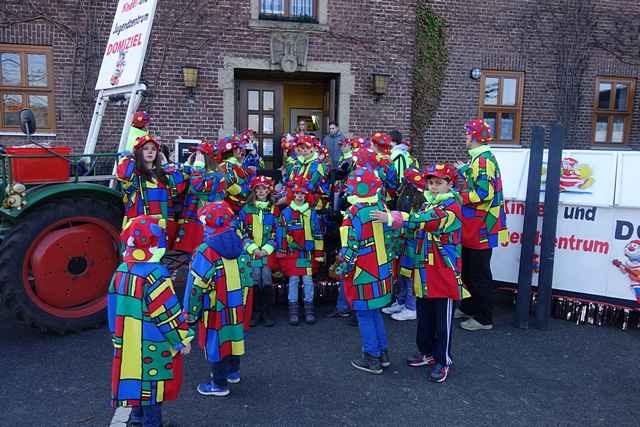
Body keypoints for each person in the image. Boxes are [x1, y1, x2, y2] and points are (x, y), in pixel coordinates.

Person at [371, 163, 466, 383]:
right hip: (424, 268)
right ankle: (427, 352)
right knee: (425, 317)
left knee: (443, 322)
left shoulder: (451, 206)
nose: (433, 187)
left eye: (439, 183)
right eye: (431, 183)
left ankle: (444, 361)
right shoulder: (428, 204)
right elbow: (415, 226)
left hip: (444, 271)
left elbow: (428, 222)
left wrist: (395, 218)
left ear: (449, 184)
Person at [108, 215, 193, 427]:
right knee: (152, 389)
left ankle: (136, 417)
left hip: (126, 338)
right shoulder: (156, 275)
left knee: (134, 380)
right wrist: (181, 338)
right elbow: (166, 312)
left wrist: (116, 334)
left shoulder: (121, 271)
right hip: (152, 341)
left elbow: (112, 307)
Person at [183, 201, 254, 397]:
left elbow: (196, 286)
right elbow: (248, 275)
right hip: (237, 303)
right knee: (234, 335)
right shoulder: (239, 241)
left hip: (215, 307)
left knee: (216, 341)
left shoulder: (205, 250)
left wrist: (190, 314)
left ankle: (218, 384)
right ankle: (233, 371)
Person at [337, 167, 395, 375]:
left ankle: (371, 357)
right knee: (375, 312)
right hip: (382, 270)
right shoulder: (381, 207)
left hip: (363, 271)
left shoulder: (353, 213)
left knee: (364, 314)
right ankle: (383, 352)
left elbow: (350, 247)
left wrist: (343, 269)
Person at [455, 119, 507, 331]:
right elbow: (481, 183)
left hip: (481, 227)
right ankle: (469, 307)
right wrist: (466, 171)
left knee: (479, 273)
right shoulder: (479, 160)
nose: (465, 137)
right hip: (474, 225)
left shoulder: (483, 161)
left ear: (475, 137)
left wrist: (458, 196)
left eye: (467, 134)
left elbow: (484, 193)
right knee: (468, 269)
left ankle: (484, 318)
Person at [116, 134, 187, 234]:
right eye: (145, 148)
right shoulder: (134, 173)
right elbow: (122, 172)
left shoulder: (164, 174)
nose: (150, 151)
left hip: (160, 227)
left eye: (154, 149)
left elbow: (179, 186)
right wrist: (133, 154)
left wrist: (166, 164)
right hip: (138, 227)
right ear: (139, 152)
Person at [276, 177, 323, 325]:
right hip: (292, 253)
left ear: (306, 195)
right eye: (296, 194)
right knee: (294, 279)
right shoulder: (286, 213)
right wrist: (283, 249)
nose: (299, 196)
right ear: (292, 195)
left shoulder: (311, 213)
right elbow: (281, 232)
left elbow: (317, 233)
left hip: (307, 253)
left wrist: (319, 252)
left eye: (302, 194)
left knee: (308, 280)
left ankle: (309, 309)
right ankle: (293, 310)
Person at [382, 168, 427, 321]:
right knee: (402, 273)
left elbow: (415, 222)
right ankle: (401, 302)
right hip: (405, 241)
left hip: (414, 243)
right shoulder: (406, 195)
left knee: (410, 275)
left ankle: (411, 307)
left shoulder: (421, 201)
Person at [239, 175, 279, 327]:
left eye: (264, 188)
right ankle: (255, 312)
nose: (261, 191)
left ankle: (267, 312)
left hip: (267, 253)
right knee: (254, 279)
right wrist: (253, 248)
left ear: (269, 191)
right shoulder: (246, 209)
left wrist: (267, 248)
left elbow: (278, 231)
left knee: (267, 279)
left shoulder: (274, 210)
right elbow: (241, 230)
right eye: (258, 189)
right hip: (252, 252)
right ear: (254, 191)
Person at [173, 140, 226, 254]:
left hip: (205, 220)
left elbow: (198, 186)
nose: (195, 157)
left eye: (198, 154)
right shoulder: (198, 172)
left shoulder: (216, 175)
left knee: (202, 251)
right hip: (192, 217)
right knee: (190, 251)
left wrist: (197, 167)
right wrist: (187, 165)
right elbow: (181, 181)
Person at [218, 134, 256, 212]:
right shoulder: (226, 167)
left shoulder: (235, 165)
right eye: (238, 148)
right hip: (233, 208)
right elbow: (232, 188)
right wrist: (252, 193)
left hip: (239, 206)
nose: (241, 151)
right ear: (231, 150)